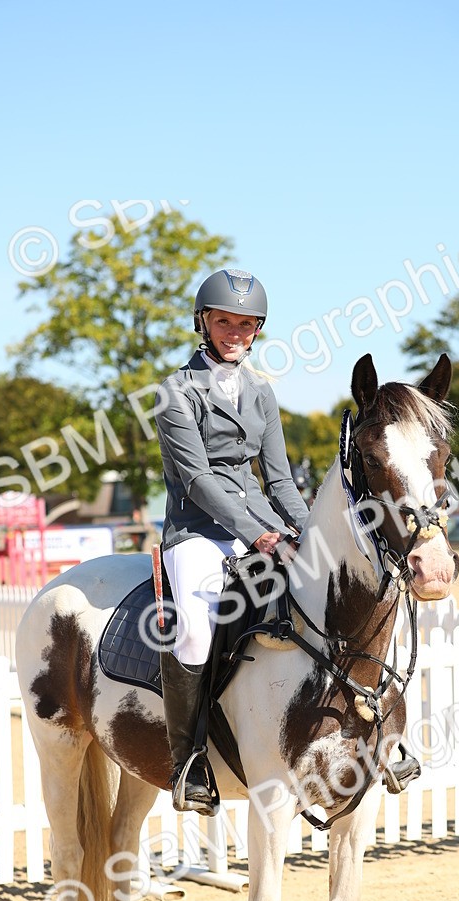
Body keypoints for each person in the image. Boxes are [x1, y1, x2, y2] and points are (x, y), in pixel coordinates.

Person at [154, 269, 310, 814]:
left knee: (322, 596)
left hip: (262, 524)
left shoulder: (261, 391)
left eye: (246, 324)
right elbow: (198, 480)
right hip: (198, 530)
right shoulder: (175, 392)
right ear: (203, 322)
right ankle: (190, 760)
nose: (235, 333)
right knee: (196, 632)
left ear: (257, 329)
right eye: (224, 321)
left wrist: (308, 531)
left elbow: (280, 480)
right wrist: (258, 534)